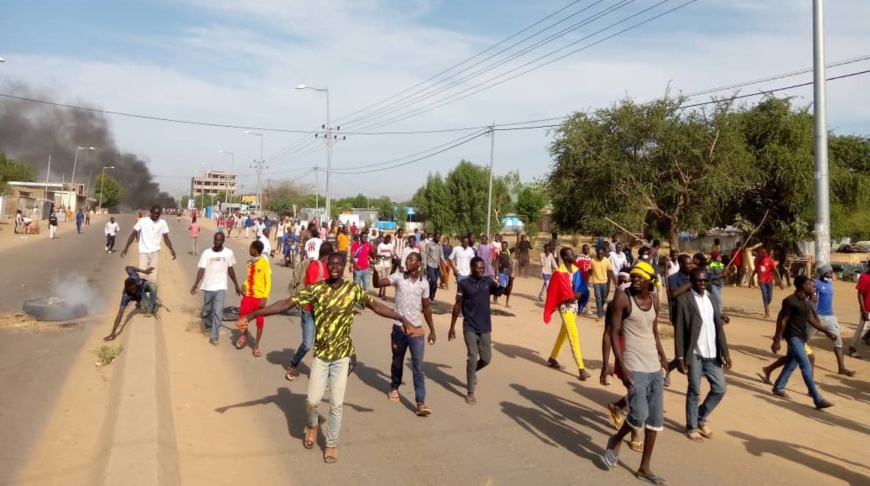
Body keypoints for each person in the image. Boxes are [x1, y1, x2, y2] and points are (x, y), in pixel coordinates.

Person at [236, 252, 414, 464]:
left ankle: (331, 443)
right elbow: (285, 304)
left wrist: (400, 317)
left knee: (336, 404)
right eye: (332, 264)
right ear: (327, 265)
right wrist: (253, 314)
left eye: (339, 264)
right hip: (321, 355)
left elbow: (376, 306)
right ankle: (312, 425)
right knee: (312, 401)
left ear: (344, 266)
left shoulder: (352, 289)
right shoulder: (316, 289)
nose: (336, 267)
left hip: (342, 357)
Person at [603, 262, 669, 485]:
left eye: (641, 276)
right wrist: (621, 365)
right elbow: (613, 333)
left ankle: (644, 467)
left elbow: (654, 332)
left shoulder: (654, 301)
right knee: (638, 415)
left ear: (650, 279)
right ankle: (616, 439)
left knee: (655, 421)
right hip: (634, 364)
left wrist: (663, 356)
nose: (636, 279)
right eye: (634, 275)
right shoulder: (622, 298)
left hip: (654, 366)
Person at [373, 252, 437, 416]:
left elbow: (426, 308)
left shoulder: (424, 284)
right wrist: (375, 271)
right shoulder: (398, 277)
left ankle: (420, 403)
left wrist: (432, 330)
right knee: (397, 361)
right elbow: (377, 283)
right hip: (399, 328)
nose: (407, 262)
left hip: (416, 330)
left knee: (418, 367)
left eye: (411, 260)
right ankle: (394, 387)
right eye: (407, 259)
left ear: (419, 263)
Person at [674, 267, 731, 443]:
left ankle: (699, 416)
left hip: (712, 354)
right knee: (694, 390)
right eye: (699, 280)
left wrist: (725, 352)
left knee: (720, 388)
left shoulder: (711, 298)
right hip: (695, 353)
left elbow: (718, 327)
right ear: (692, 281)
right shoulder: (685, 300)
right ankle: (691, 427)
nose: (702, 284)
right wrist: (680, 357)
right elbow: (680, 331)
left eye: (705, 280)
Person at [770, 276, 836, 409]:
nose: (813, 287)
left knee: (790, 364)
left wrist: (825, 331)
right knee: (805, 365)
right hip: (793, 337)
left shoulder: (806, 301)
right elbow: (783, 320)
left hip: (801, 337)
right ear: (802, 286)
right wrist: (777, 339)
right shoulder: (790, 301)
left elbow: (810, 318)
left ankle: (778, 387)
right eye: (810, 285)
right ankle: (817, 398)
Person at [449, 257, 505, 405]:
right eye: (478, 268)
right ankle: (470, 392)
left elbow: (500, 292)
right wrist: (452, 327)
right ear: (472, 267)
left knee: (486, 359)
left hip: (485, 327)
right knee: (473, 357)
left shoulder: (488, 282)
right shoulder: (464, 283)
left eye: (483, 268)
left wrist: (508, 281)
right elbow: (457, 305)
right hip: (470, 326)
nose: (481, 270)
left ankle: (472, 371)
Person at [601, 272, 643, 453]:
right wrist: (605, 364)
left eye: (629, 281)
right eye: (622, 282)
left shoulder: (645, 302)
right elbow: (607, 335)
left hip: (642, 351)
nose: (626, 285)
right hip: (624, 350)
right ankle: (635, 433)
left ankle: (617, 406)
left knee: (642, 391)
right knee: (636, 391)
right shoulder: (614, 305)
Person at [285, 242, 333, 381]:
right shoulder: (315, 267)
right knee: (307, 344)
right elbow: (312, 291)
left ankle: (320, 373)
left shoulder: (330, 268)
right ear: (326, 255)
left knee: (322, 344)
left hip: (323, 313)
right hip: (310, 311)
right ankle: (293, 363)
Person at [543, 247, 591, 380]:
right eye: (571, 254)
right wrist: (568, 297)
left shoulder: (576, 270)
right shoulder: (558, 273)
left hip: (574, 306)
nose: (574, 255)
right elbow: (554, 292)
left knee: (564, 334)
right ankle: (581, 368)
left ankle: (552, 358)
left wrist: (578, 294)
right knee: (573, 335)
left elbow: (582, 288)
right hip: (565, 307)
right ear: (565, 257)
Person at [191, 232, 242, 346]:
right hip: (208, 287)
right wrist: (195, 284)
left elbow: (231, 270)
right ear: (213, 239)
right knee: (207, 311)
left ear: (223, 240)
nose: (217, 241)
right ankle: (208, 326)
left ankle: (214, 337)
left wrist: (236, 285)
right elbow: (201, 269)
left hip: (221, 287)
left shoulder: (228, 253)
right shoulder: (207, 253)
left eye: (219, 240)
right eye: (216, 239)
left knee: (218, 311)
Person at [120, 205, 177, 283]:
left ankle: (149, 293)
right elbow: (133, 234)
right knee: (142, 274)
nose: (155, 215)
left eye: (158, 214)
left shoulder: (163, 223)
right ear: (151, 212)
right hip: (143, 251)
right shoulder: (143, 221)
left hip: (155, 252)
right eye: (154, 213)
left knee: (153, 276)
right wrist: (126, 247)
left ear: (160, 214)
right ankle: (142, 293)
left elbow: (166, 237)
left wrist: (171, 249)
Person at [236, 240, 272, 357]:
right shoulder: (249, 262)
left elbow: (268, 281)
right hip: (248, 296)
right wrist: (243, 284)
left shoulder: (264, 262)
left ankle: (256, 346)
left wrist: (265, 297)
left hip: (259, 297)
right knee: (240, 320)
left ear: (255, 249)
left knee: (260, 322)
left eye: (250, 248)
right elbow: (249, 277)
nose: (249, 250)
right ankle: (246, 334)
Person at [104, 265, 160, 341]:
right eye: (131, 290)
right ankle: (140, 302)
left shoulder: (135, 278)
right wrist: (113, 332)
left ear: (136, 284)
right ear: (127, 289)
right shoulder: (126, 296)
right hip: (139, 296)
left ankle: (147, 302)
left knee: (153, 286)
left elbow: (127, 267)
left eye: (134, 288)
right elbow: (120, 313)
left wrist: (144, 271)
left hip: (144, 286)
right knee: (153, 308)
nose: (133, 290)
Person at [849, 262, 870, 358]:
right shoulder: (864, 277)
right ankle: (852, 348)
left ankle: (866, 337)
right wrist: (863, 310)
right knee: (862, 328)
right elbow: (860, 294)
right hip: (867, 308)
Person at [589, 246, 615, 320]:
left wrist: (613, 279)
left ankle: (601, 309)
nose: (600, 255)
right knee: (598, 298)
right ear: (596, 253)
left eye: (601, 254)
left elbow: (610, 270)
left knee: (604, 298)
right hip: (596, 282)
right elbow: (589, 271)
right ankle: (599, 315)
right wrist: (587, 281)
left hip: (604, 282)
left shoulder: (606, 260)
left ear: (604, 254)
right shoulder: (592, 260)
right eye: (598, 254)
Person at [750, 249, 776, 318]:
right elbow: (755, 270)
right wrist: (751, 279)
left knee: (769, 297)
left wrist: (780, 281)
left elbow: (775, 269)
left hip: (769, 280)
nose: (760, 255)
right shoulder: (757, 261)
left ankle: (766, 305)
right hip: (762, 281)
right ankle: (767, 312)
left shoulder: (769, 260)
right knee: (765, 295)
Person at [424, 233, 445, 302]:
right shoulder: (429, 244)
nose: (438, 239)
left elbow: (442, 255)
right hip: (430, 265)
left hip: (437, 266)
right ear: (434, 237)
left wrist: (445, 263)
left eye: (439, 238)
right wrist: (425, 267)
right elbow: (426, 255)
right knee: (433, 280)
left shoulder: (440, 245)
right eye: (437, 237)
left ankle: (432, 297)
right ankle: (427, 293)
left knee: (435, 283)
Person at [494, 241, 515, 307]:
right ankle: (496, 295)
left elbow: (510, 262)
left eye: (505, 245)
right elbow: (497, 262)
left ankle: (507, 303)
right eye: (502, 245)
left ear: (506, 246)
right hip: (501, 270)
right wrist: (496, 271)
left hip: (507, 270)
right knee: (503, 286)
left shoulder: (508, 252)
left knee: (509, 286)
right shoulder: (499, 252)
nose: (503, 246)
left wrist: (512, 271)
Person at [376, 235, 393, 300]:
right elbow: (377, 254)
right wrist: (382, 255)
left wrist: (390, 256)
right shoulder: (380, 245)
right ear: (384, 239)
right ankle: (383, 293)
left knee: (386, 279)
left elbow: (392, 254)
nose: (388, 240)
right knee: (383, 278)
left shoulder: (390, 245)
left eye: (389, 239)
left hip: (388, 264)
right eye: (387, 238)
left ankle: (382, 292)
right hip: (382, 264)